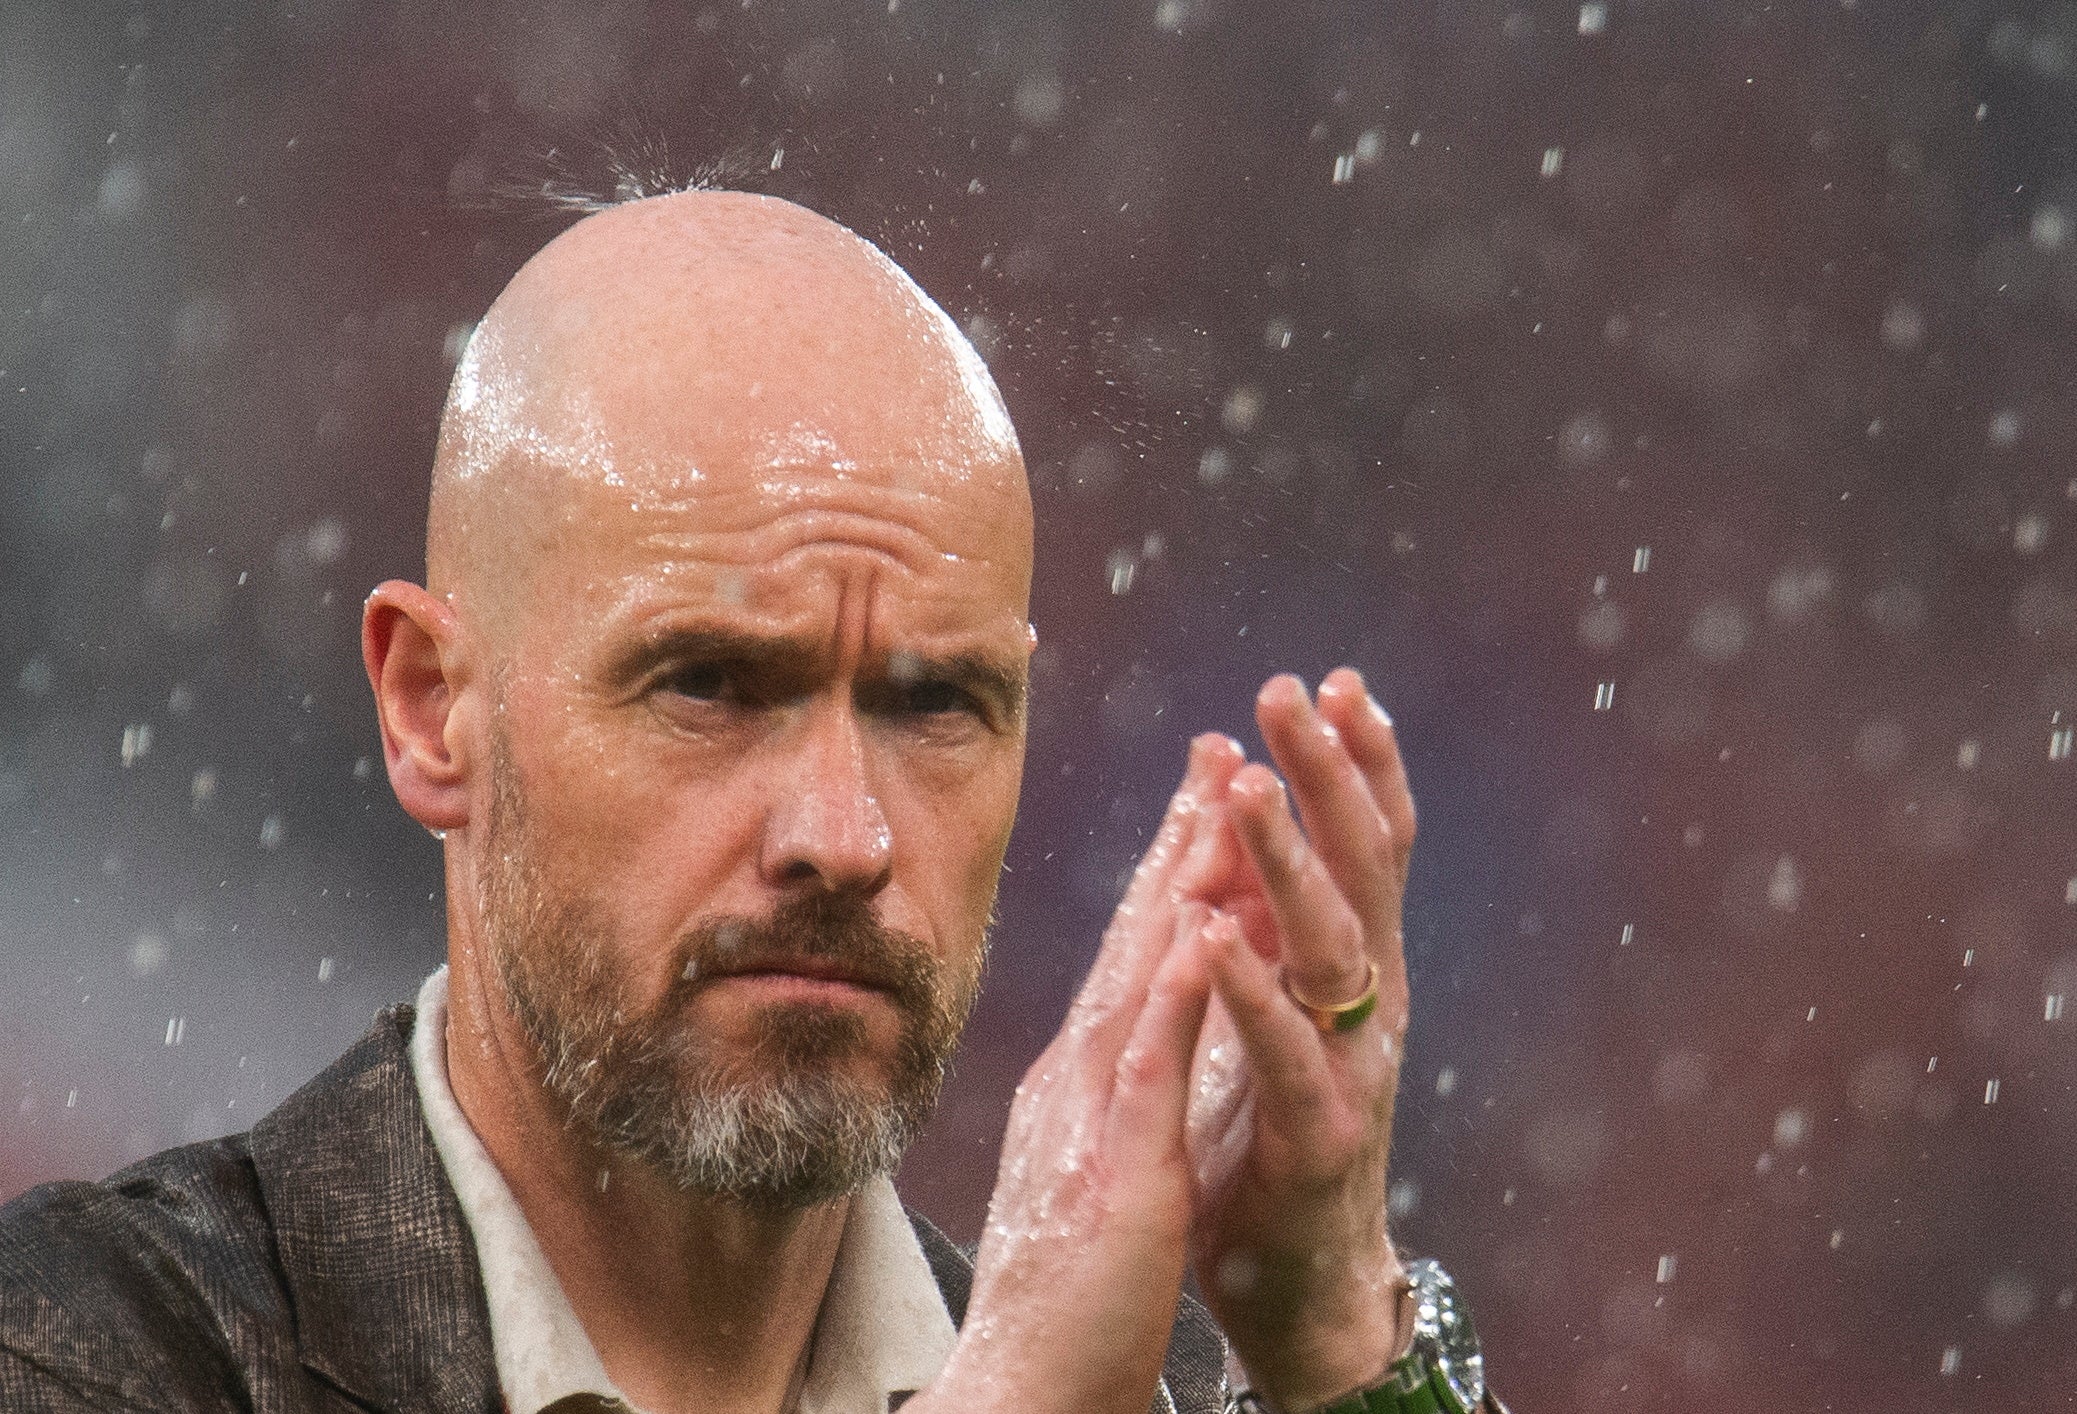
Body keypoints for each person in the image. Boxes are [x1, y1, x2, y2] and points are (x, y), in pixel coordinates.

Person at [0, 191, 1500, 1414]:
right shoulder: (82, 1353)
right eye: (709, 684)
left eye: (933, 703)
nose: (843, 836)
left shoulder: (1145, 1393)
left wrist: (1338, 1345)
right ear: (430, 709)